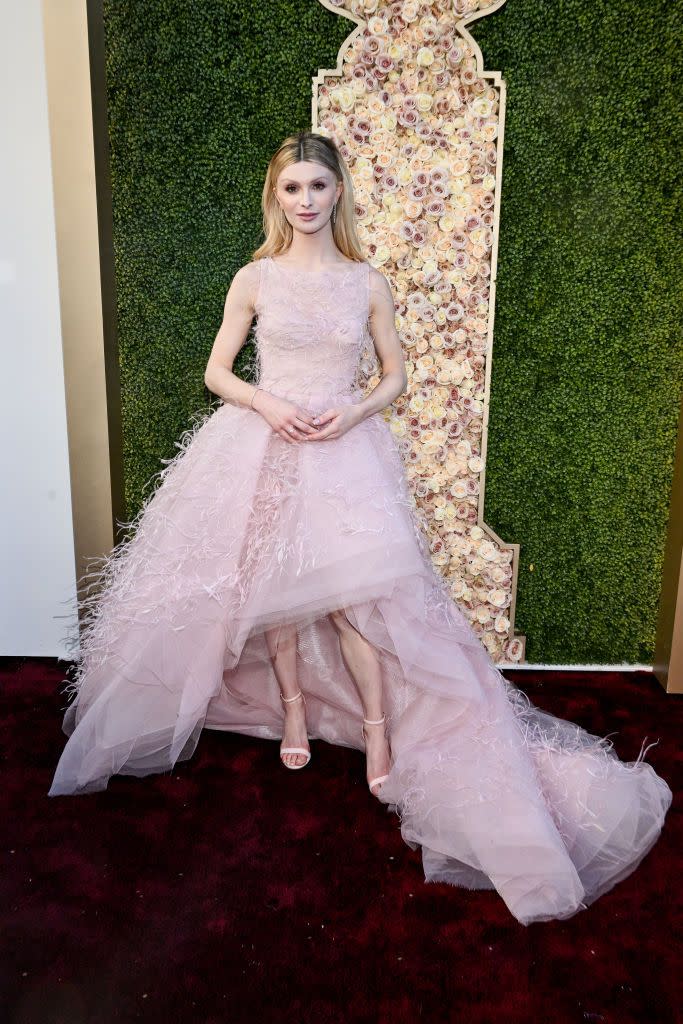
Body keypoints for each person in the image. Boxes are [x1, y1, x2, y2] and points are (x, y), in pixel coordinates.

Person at [48, 131, 673, 927]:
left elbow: (396, 374)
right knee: (270, 591)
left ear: (338, 191)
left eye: (316, 186)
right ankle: (296, 713)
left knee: (355, 605)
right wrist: (266, 402)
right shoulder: (254, 277)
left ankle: (378, 734)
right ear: (274, 198)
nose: (304, 201)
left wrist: (354, 410)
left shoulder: (364, 281)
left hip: (343, 454)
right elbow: (216, 372)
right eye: (289, 189)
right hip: (262, 447)